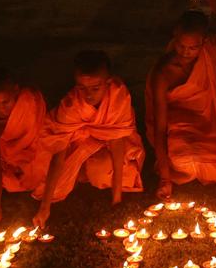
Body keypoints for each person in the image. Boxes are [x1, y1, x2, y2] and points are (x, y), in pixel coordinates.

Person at [146, 10, 216, 199]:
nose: (185, 53)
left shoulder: (212, 51)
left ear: (204, 42)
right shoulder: (163, 73)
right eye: (181, 46)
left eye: (193, 48)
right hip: (182, 128)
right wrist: (165, 179)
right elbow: (160, 127)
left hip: (213, 122)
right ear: (175, 36)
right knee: (185, 160)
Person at [36, 51, 144, 227]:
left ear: (108, 83)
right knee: (53, 185)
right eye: (82, 88)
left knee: (108, 172)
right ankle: (80, 169)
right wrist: (44, 207)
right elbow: (59, 154)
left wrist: (117, 198)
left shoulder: (118, 97)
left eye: (95, 88)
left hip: (105, 144)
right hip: (78, 143)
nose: (88, 95)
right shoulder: (71, 106)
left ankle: (86, 170)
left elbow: (117, 142)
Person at [0, 68, 63, 227]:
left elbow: (53, 142)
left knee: (59, 183)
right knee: (6, 183)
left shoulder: (31, 102)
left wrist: (45, 207)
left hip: (41, 157)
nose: (1, 108)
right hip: (14, 166)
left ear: (16, 91)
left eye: (6, 102)